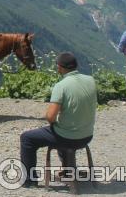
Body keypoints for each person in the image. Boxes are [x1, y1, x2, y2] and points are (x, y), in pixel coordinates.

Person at [19, 52, 97, 187]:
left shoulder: (61, 86)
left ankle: (29, 180)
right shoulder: (91, 80)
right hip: (87, 136)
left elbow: (50, 117)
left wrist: (55, 121)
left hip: (68, 138)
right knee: (62, 130)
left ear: (59, 67)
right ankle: (68, 170)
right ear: (75, 66)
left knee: (27, 138)